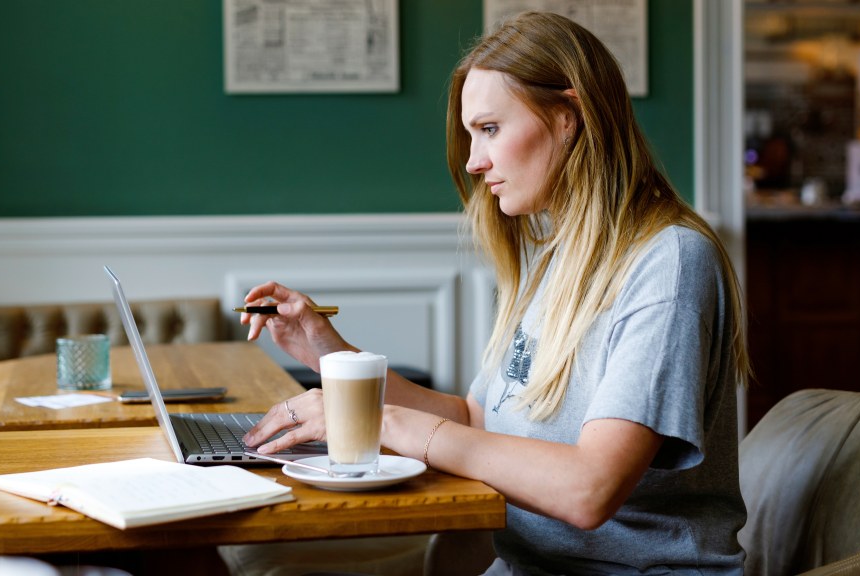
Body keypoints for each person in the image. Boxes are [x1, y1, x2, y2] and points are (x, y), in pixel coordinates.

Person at [238, 11, 750, 575]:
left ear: (567, 116)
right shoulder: (558, 257)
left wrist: (379, 424)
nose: (473, 161)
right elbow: (477, 420)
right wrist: (326, 350)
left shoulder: (669, 262)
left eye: (489, 129)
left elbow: (589, 489)